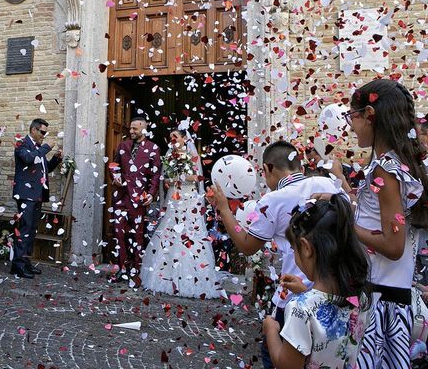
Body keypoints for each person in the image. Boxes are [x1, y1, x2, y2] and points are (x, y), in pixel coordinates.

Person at [206, 140, 346, 369]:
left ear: (268, 169)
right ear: (300, 166)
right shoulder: (327, 184)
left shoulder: (274, 200)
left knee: (279, 358)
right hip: (333, 289)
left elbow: (247, 246)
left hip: (294, 296)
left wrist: (223, 208)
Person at [345, 80, 428, 368]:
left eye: (351, 116)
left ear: (369, 114)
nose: (350, 125)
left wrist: (347, 225)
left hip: (381, 303)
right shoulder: (399, 165)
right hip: (389, 296)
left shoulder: (386, 169)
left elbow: (394, 246)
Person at [263, 194, 371, 368]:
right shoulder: (361, 296)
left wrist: (271, 331)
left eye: (294, 250)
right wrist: (305, 292)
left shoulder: (300, 308)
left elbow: (287, 365)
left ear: (306, 248)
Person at [140, 128, 224, 298]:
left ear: (184, 138)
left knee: (189, 232)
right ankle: (165, 275)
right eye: (170, 136)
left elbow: (196, 178)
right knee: (169, 230)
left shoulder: (191, 155)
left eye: (175, 136)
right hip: (174, 196)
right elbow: (166, 180)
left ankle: (192, 277)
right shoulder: (170, 156)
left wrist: (181, 177)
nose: (172, 139)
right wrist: (173, 179)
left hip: (188, 197)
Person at [108, 117, 162, 284]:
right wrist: (114, 176)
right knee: (119, 232)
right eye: (130, 129)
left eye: (134, 129)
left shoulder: (153, 148)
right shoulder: (122, 146)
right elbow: (114, 164)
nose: (131, 131)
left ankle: (135, 270)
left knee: (137, 234)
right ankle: (121, 269)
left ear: (143, 130)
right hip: (120, 196)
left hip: (138, 198)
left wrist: (151, 194)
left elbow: (155, 175)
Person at [10, 118, 62, 279]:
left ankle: (26, 262)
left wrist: (56, 159)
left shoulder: (38, 147)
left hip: (37, 194)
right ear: (33, 130)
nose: (44, 135)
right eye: (42, 132)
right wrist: (47, 147)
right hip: (25, 194)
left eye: (45, 133)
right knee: (24, 229)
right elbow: (28, 159)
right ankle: (17, 265)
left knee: (31, 230)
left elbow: (45, 168)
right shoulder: (22, 144)